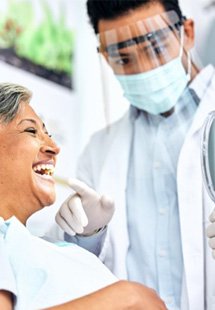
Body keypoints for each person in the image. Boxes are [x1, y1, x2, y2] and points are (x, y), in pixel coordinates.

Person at [48, 1, 215, 309]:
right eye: (122, 57)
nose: (142, 67)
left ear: (187, 33)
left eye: (154, 47)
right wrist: (86, 236)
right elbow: (73, 276)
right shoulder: (98, 151)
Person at [0, 82, 167, 310]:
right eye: (31, 131)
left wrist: (87, 236)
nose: (54, 147)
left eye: (48, 134)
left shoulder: (35, 245)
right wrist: (126, 298)